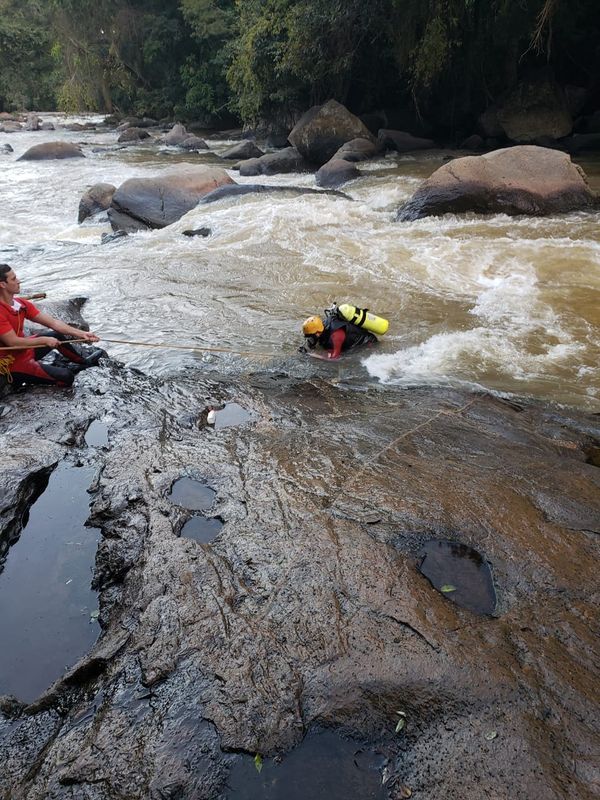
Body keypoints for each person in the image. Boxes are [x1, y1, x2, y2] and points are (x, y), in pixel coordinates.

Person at [0, 264, 104, 387]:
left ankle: (83, 362)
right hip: (10, 363)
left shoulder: (20, 304)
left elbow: (53, 323)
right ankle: (18, 380)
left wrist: (82, 334)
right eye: (13, 279)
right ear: (2, 284)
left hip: (24, 350)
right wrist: (44, 340)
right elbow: (13, 342)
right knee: (67, 377)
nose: (18, 281)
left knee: (56, 334)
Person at [301, 311, 377, 359]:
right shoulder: (322, 326)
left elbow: (335, 358)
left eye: (311, 336)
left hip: (367, 343)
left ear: (317, 332)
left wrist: (310, 354)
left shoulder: (336, 335)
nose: (310, 339)